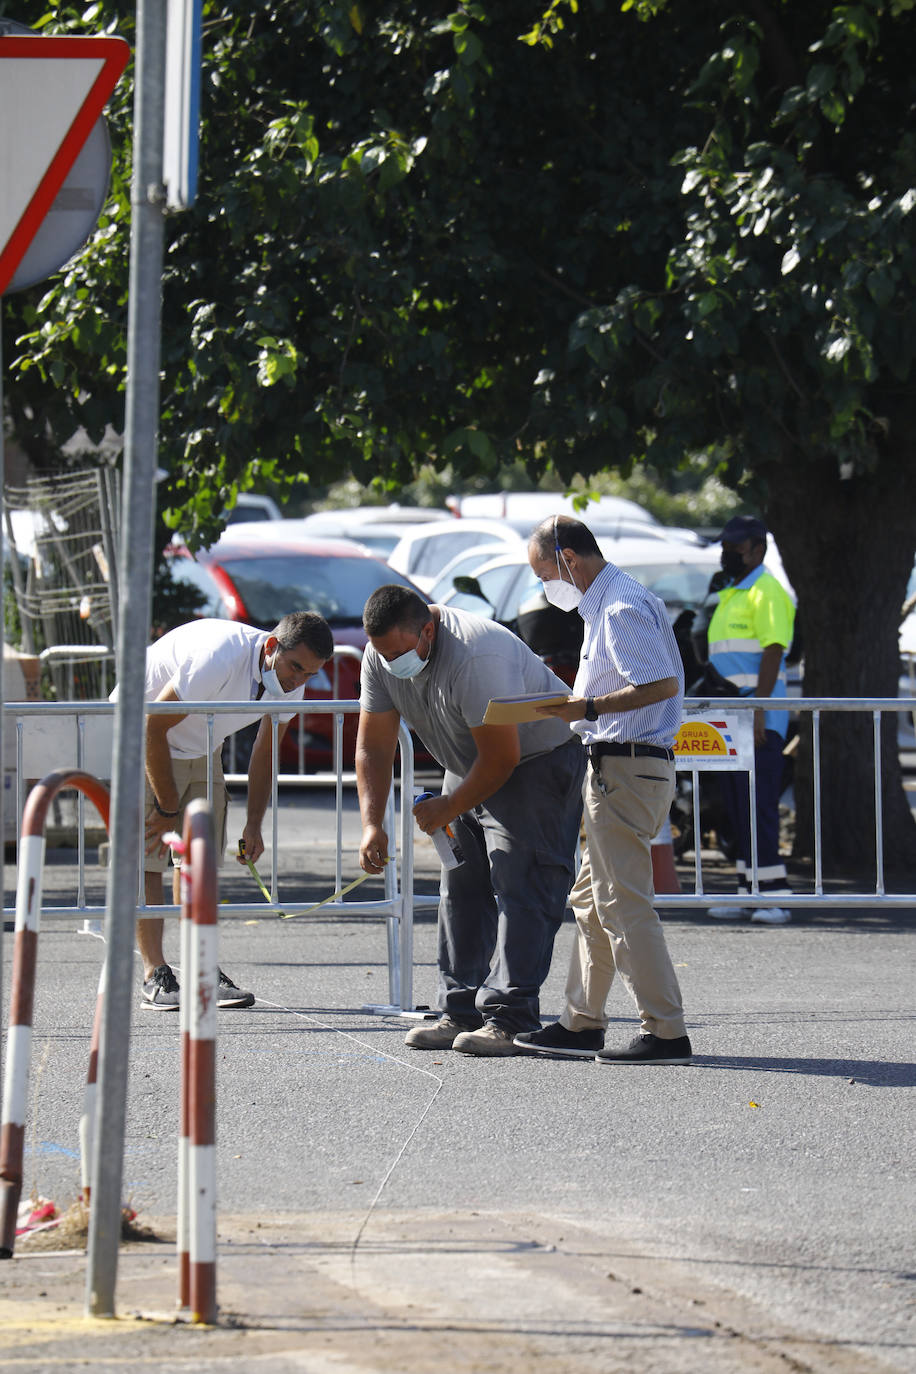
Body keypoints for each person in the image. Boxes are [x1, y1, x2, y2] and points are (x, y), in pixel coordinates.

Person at [356, 584, 586, 1057]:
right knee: (460, 888)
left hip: (535, 761)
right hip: (466, 764)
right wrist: (371, 823)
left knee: (523, 885)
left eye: (400, 652)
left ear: (428, 629)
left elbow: (502, 758)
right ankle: (459, 1010)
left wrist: (450, 806)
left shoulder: (475, 655)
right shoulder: (379, 655)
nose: (391, 662)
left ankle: (509, 1018)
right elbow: (372, 746)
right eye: (383, 653)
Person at [517, 515, 692, 1065]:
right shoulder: (610, 602)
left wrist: (587, 708)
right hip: (620, 766)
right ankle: (581, 1021)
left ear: (568, 558)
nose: (545, 586)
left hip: (625, 767)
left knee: (621, 902)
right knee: (593, 901)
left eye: (545, 572)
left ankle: (665, 1031)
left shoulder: (616, 606)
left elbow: (660, 683)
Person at [121, 611, 334, 1009]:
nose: (298, 681)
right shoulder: (218, 657)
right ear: (272, 647)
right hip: (141, 735)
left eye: (310, 674)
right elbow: (154, 725)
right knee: (149, 860)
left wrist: (254, 824)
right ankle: (155, 975)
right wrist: (167, 806)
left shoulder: (291, 682)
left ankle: (201, 969)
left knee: (198, 864)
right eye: (296, 668)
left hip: (200, 744)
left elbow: (266, 750)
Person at [707, 514, 796, 924]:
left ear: (758, 549)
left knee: (758, 804)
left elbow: (774, 651)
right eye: (725, 546)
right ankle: (750, 890)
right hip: (733, 716)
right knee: (738, 805)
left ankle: (775, 896)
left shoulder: (767, 590)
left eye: (736, 547)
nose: (728, 554)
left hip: (757, 718)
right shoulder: (734, 591)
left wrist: (759, 710)